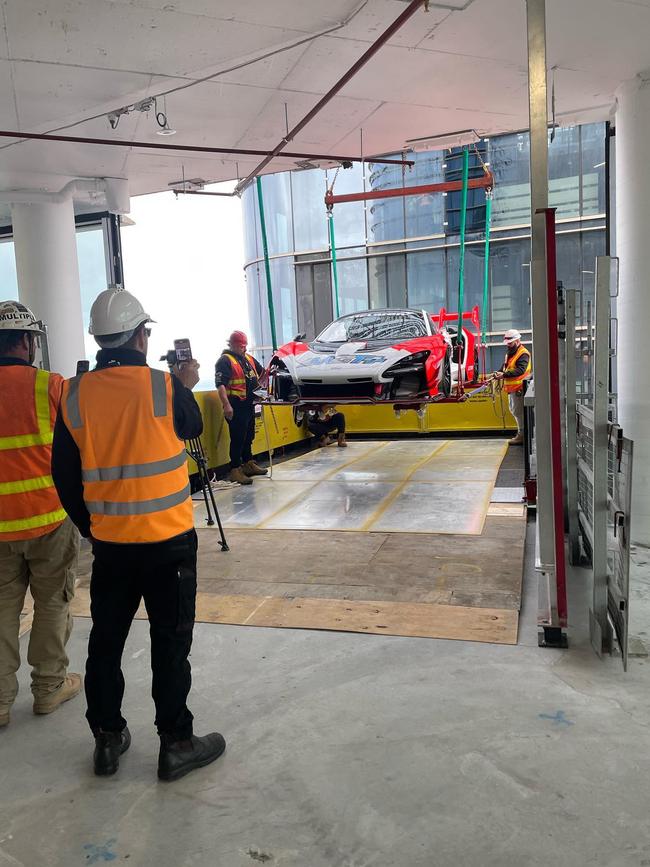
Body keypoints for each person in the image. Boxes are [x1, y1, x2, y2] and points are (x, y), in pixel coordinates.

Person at [51, 287, 225, 781]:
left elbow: (64, 475)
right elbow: (191, 427)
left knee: (105, 641)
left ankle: (107, 739)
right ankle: (176, 742)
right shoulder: (164, 386)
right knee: (169, 642)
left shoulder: (75, 393)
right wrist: (187, 381)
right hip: (169, 543)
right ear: (140, 335)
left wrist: (93, 528)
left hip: (111, 547)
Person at [0, 301, 81, 728]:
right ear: (28, 342)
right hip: (49, 516)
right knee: (52, 603)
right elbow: (79, 449)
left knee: (0, 609)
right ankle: (49, 688)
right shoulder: (52, 386)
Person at [214, 330, 268, 486]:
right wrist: (226, 405)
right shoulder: (225, 361)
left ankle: (248, 463)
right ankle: (235, 469)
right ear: (231, 345)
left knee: (249, 435)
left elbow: (262, 372)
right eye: (239, 346)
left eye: (244, 346)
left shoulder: (248, 359)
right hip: (235, 405)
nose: (243, 349)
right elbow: (220, 385)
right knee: (238, 438)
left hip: (249, 404)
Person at [494, 328, 532, 446]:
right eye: (507, 343)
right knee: (515, 411)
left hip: (519, 388)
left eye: (510, 343)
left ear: (517, 341)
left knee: (519, 412)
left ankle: (522, 435)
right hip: (512, 389)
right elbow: (505, 367)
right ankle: (521, 434)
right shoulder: (510, 352)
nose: (508, 345)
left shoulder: (523, 353)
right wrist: (499, 372)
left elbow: (520, 370)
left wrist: (503, 375)